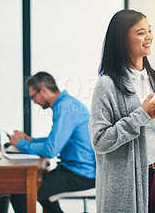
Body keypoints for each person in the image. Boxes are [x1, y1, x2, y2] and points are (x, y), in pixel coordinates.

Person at [89, 9, 155, 213]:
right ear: (122, 40)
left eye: (149, 31)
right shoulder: (107, 85)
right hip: (126, 185)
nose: (148, 36)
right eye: (140, 32)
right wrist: (142, 115)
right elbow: (99, 141)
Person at [9, 71, 96, 213]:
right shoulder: (67, 103)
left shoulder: (65, 108)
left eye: (33, 97)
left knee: (21, 194)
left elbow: (51, 150)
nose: (34, 102)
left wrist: (20, 144)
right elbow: (57, 140)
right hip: (77, 169)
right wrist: (31, 140)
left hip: (81, 174)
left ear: (43, 90)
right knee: (42, 192)